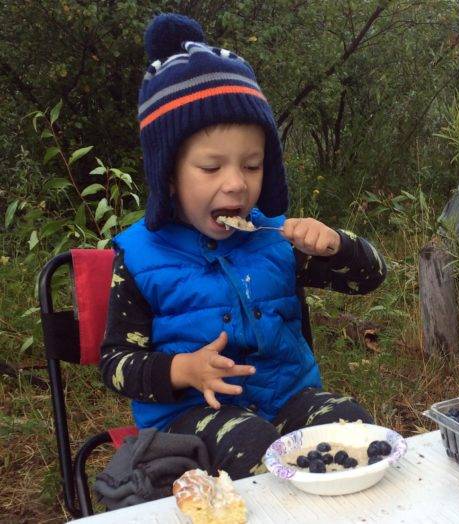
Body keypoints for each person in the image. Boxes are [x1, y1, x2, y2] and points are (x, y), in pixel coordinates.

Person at [100, 13, 386, 480]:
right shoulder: (140, 259)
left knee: (354, 430)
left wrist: (336, 245)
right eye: (211, 168)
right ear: (167, 175)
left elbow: (370, 278)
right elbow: (115, 365)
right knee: (255, 448)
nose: (235, 184)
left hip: (289, 399)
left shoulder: (277, 240)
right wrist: (181, 370)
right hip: (192, 414)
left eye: (252, 166)